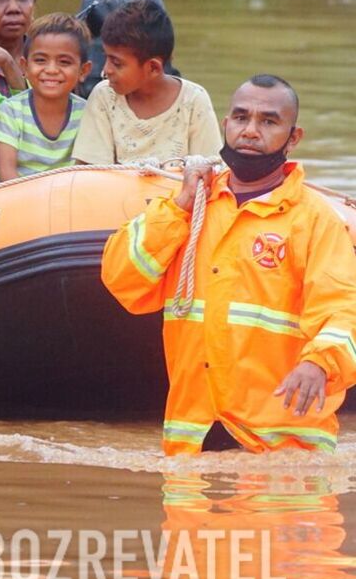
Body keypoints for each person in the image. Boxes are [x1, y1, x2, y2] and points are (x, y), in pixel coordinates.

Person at [101, 75, 356, 454]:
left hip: (282, 449)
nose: (250, 131)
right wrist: (179, 206)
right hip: (192, 442)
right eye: (240, 118)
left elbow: (341, 309)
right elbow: (123, 281)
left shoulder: (314, 221)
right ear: (224, 125)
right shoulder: (188, 208)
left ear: (294, 137)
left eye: (268, 122)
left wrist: (319, 363)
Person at [72, 0, 222, 165]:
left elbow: (210, 172)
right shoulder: (104, 96)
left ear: (153, 68)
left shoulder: (193, 101)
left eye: (116, 63)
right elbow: (92, 175)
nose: (106, 70)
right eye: (105, 57)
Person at [0, 13, 91, 180]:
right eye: (41, 60)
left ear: (83, 71)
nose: (51, 70)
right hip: (10, 197)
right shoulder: (9, 112)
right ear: (24, 67)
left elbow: (85, 174)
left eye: (64, 62)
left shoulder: (89, 115)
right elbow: (7, 176)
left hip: (65, 197)